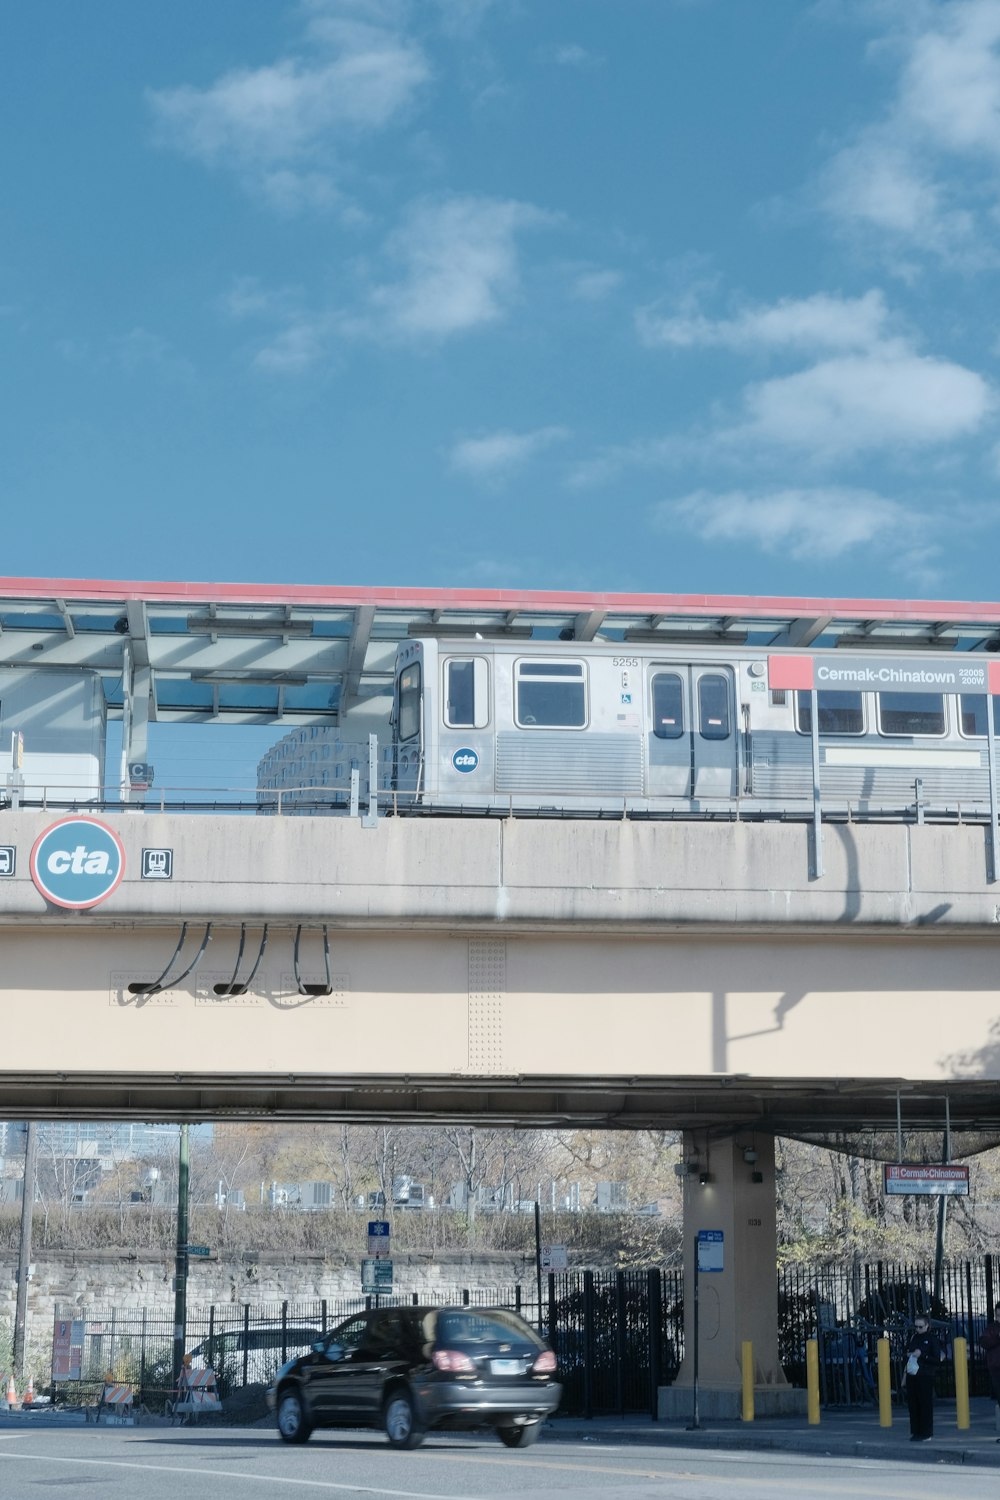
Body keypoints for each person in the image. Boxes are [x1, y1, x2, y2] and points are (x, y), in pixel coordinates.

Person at [904, 1314, 942, 1441]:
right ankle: (916, 1431)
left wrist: (922, 1355)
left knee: (925, 1404)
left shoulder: (932, 1339)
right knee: (913, 1404)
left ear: (927, 1326)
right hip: (913, 1374)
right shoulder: (914, 1338)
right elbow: (908, 1351)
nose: (918, 1329)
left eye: (921, 1327)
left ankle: (926, 1432)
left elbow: (936, 1359)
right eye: (916, 1327)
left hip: (925, 1374)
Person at [979, 1317, 1000, 1438]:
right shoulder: (992, 1328)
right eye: (998, 1315)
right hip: (996, 1367)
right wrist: (997, 1337)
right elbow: (983, 1342)